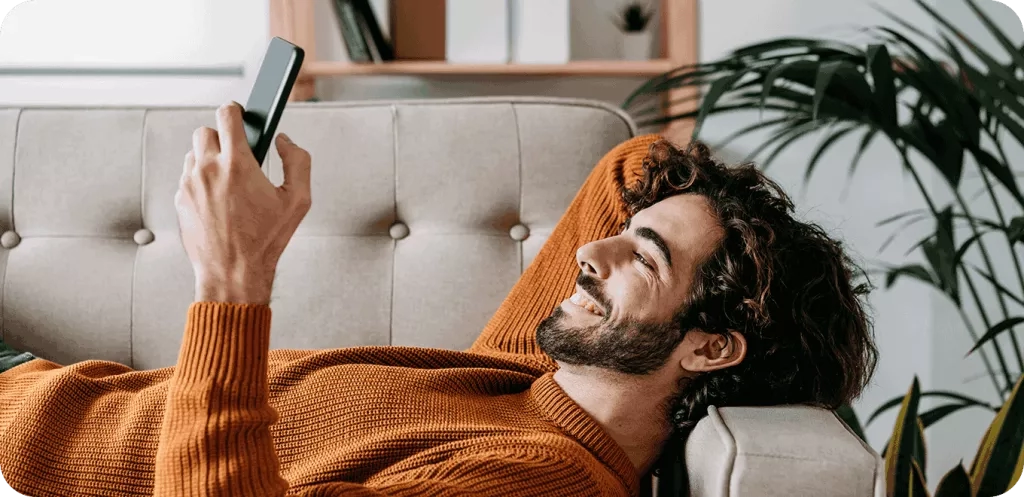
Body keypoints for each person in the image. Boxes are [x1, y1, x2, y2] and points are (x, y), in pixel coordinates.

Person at [0, 102, 878, 497]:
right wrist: (708, 220)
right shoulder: (526, 377)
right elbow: (632, 164)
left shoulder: (537, 479)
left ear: (713, 347)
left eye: (642, 255)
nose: (586, 253)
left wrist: (232, 284)